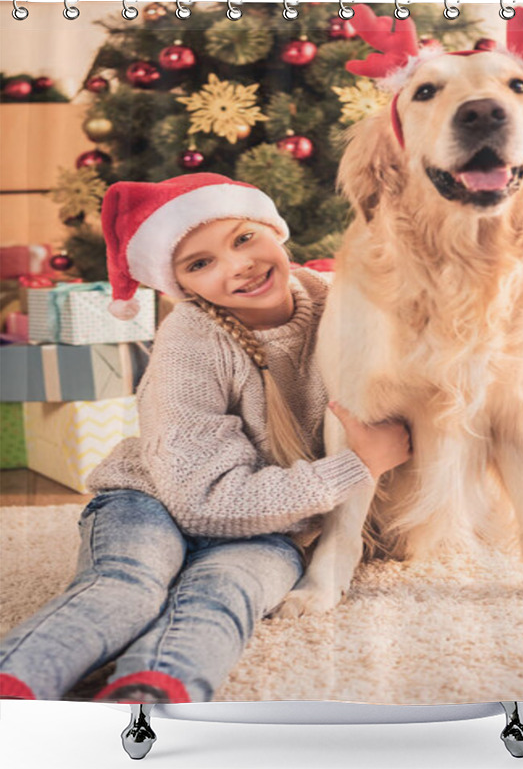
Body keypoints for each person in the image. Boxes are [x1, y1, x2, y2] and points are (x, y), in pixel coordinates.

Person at [0, 173, 413, 704]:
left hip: (275, 527)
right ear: (182, 286)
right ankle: (17, 687)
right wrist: (356, 466)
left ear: (275, 230)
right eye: (200, 263)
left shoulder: (343, 301)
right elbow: (204, 504)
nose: (238, 265)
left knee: (223, 596)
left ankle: (147, 700)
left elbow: (441, 342)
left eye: (244, 238)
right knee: (127, 585)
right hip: (153, 502)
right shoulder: (191, 341)